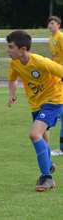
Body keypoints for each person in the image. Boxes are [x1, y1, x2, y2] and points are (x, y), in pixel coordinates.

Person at [6, 30, 63, 192]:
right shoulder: (15, 63)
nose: (8, 50)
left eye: (11, 47)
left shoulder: (40, 62)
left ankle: (47, 178)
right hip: (36, 104)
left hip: (54, 100)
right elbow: (12, 79)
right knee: (43, 138)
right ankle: (48, 164)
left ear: (23, 49)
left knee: (34, 134)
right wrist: (12, 95)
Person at [47, 16, 63, 157]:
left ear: (58, 25)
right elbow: (54, 57)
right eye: (49, 23)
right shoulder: (51, 39)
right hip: (55, 73)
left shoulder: (61, 37)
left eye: (52, 23)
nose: (50, 25)